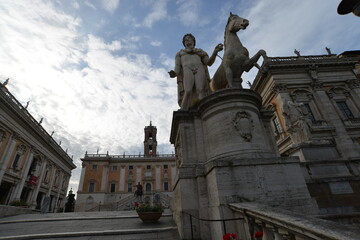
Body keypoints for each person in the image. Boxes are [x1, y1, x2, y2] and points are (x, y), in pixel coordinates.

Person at [169, 34, 223, 110]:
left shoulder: (200, 52)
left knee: (201, 90)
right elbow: (177, 66)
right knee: (187, 91)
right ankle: (183, 111)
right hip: (187, 69)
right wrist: (174, 73)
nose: (187, 40)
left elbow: (209, 63)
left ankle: (203, 112)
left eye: (189, 38)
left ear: (193, 41)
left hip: (199, 68)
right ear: (184, 43)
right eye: (185, 40)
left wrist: (215, 52)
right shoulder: (180, 53)